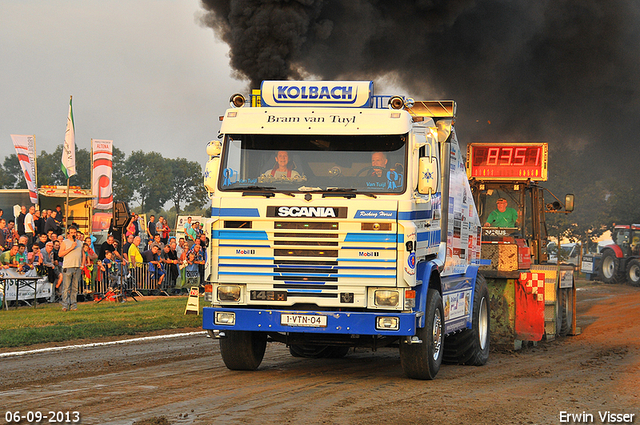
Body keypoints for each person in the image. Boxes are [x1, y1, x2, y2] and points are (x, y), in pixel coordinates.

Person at [58, 225, 83, 311]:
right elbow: (60, 254)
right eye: (71, 232)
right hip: (68, 267)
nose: (73, 234)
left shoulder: (80, 243)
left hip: (77, 267)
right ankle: (65, 305)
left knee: (75, 288)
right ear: (69, 233)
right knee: (66, 287)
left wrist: (82, 264)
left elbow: (82, 254)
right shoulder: (65, 242)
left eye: (74, 233)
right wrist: (71, 248)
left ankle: (73, 305)